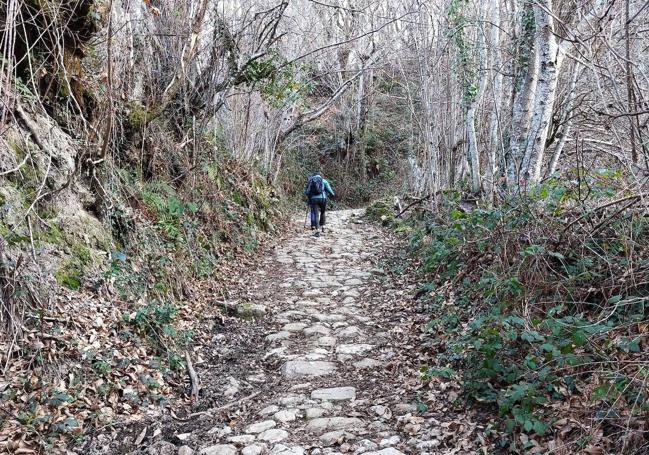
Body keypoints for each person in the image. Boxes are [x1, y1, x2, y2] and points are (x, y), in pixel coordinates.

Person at [304, 172, 335, 236]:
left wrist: (309, 196)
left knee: (316, 214)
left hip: (313, 199)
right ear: (320, 176)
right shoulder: (324, 181)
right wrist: (333, 194)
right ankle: (323, 226)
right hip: (323, 198)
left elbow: (307, 191)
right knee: (323, 212)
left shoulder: (311, 181)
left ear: (314, 176)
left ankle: (317, 230)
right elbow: (329, 189)